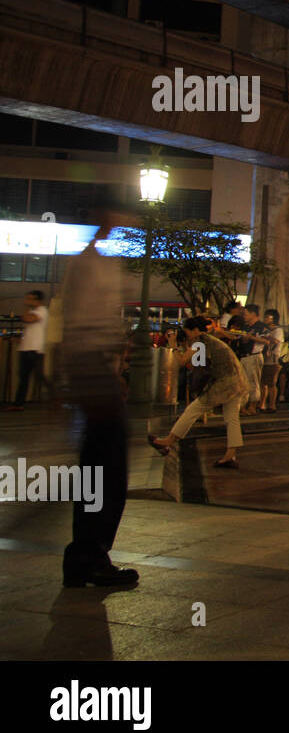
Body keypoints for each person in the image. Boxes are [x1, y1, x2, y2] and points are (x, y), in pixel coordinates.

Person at [61, 213, 137, 588]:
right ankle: (91, 555)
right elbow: (89, 326)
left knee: (98, 465)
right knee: (108, 467)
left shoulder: (87, 262)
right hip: (92, 370)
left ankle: (83, 556)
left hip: (90, 371)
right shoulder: (93, 265)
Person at [149, 317, 248, 469]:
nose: (186, 334)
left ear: (195, 330)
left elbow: (182, 361)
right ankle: (230, 455)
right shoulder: (207, 340)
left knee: (193, 410)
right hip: (236, 381)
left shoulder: (200, 342)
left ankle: (168, 441)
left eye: (187, 331)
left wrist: (174, 345)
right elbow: (198, 364)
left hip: (225, 383)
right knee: (232, 418)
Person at [6, 290, 49, 410]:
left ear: (38, 300)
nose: (27, 301)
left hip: (35, 349)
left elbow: (28, 319)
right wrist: (19, 340)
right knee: (23, 377)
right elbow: (29, 330)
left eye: (30, 299)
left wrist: (27, 307)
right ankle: (19, 404)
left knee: (40, 376)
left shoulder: (42, 311)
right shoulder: (32, 311)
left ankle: (57, 399)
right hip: (26, 348)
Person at [259, 309, 284, 413]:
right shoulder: (266, 329)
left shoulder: (278, 330)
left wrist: (263, 337)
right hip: (265, 359)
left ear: (273, 318)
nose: (265, 319)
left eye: (267, 317)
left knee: (272, 383)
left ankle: (272, 405)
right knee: (263, 382)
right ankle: (262, 404)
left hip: (274, 359)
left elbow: (275, 340)